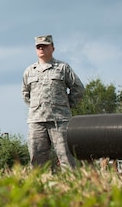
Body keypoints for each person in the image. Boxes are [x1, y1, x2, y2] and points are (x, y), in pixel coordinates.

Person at [22, 35, 85, 169]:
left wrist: (67, 106)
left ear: (52, 48)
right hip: (37, 121)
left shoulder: (62, 68)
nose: (41, 48)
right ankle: (39, 188)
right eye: (38, 46)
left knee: (66, 157)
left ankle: (70, 187)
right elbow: (26, 94)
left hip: (60, 120)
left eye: (44, 45)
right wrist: (36, 108)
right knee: (36, 160)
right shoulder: (29, 71)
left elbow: (78, 89)